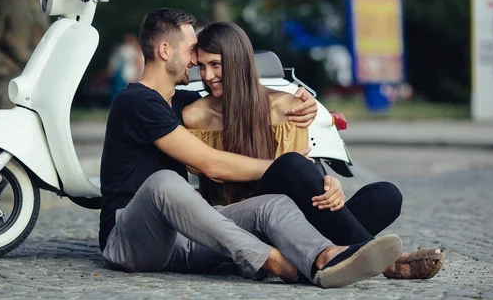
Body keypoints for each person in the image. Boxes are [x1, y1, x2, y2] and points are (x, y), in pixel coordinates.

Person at [99, 8, 404, 288]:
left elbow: (243, 95)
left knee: (272, 205)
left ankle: (325, 258)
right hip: (131, 240)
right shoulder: (136, 102)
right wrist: (286, 166)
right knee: (164, 183)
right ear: (165, 50)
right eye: (192, 49)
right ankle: (272, 259)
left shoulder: (181, 104)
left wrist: (300, 103)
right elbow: (211, 164)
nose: (195, 61)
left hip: (186, 238)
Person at [182, 21, 445, 280]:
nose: (207, 76)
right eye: (202, 66)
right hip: (242, 228)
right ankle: (387, 264)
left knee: (386, 195)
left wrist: (326, 184)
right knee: (290, 164)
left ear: (239, 62)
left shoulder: (287, 106)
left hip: (295, 225)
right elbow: (286, 168)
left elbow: (299, 179)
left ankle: (331, 255)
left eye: (216, 65)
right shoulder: (194, 116)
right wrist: (294, 169)